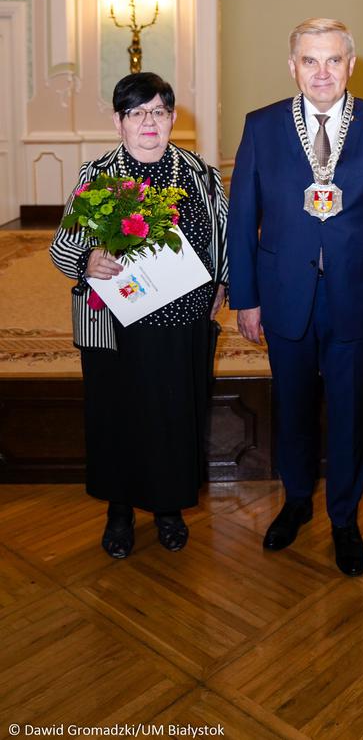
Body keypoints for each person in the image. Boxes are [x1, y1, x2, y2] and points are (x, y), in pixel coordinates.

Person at [227, 18, 363, 576]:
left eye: (332, 60)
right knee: (291, 407)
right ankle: (296, 501)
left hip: (357, 295)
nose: (321, 72)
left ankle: (343, 517)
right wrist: (246, 297)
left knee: (351, 410)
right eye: (309, 60)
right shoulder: (261, 126)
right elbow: (243, 218)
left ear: (350, 66)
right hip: (283, 294)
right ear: (293, 67)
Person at [50, 72, 228, 559]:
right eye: (136, 112)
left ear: (173, 118)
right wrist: (87, 261)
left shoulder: (201, 174)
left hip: (183, 325)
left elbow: (225, 240)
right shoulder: (97, 176)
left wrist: (224, 284)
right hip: (114, 326)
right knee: (116, 416)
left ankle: (168, 508)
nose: (148, 121)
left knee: (176, 415)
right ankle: (120, 510)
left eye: (158, 111)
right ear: (118, 121)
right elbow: (62, 247)